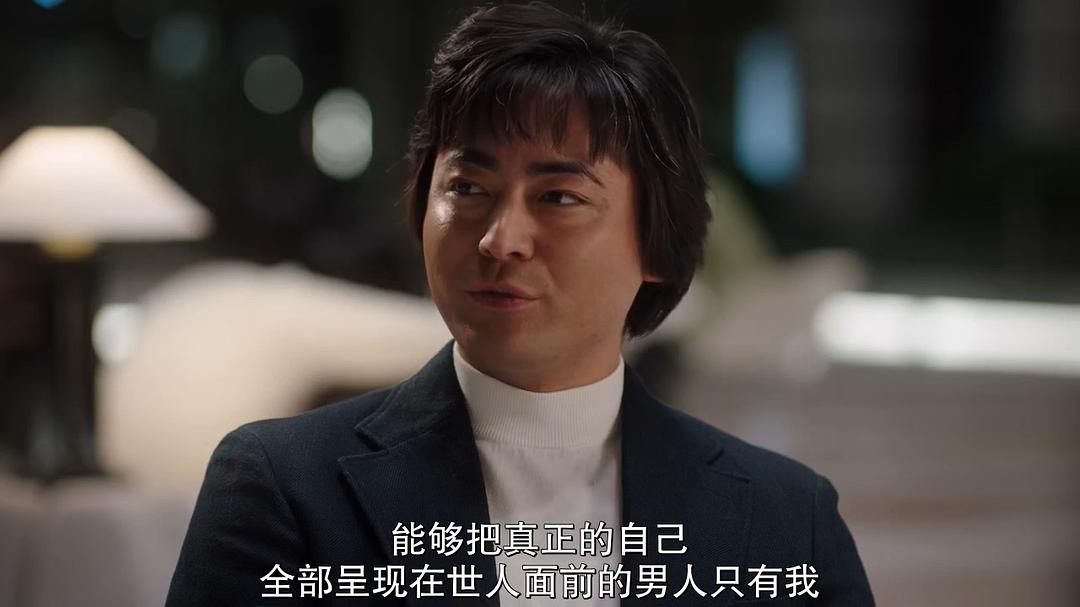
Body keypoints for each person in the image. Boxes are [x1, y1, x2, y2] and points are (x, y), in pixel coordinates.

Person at [166, 3, 874, 605]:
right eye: (468, 188)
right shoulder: (284, 486)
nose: (501, 240)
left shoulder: (786, 520)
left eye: (558, 197)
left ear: (656, 243)